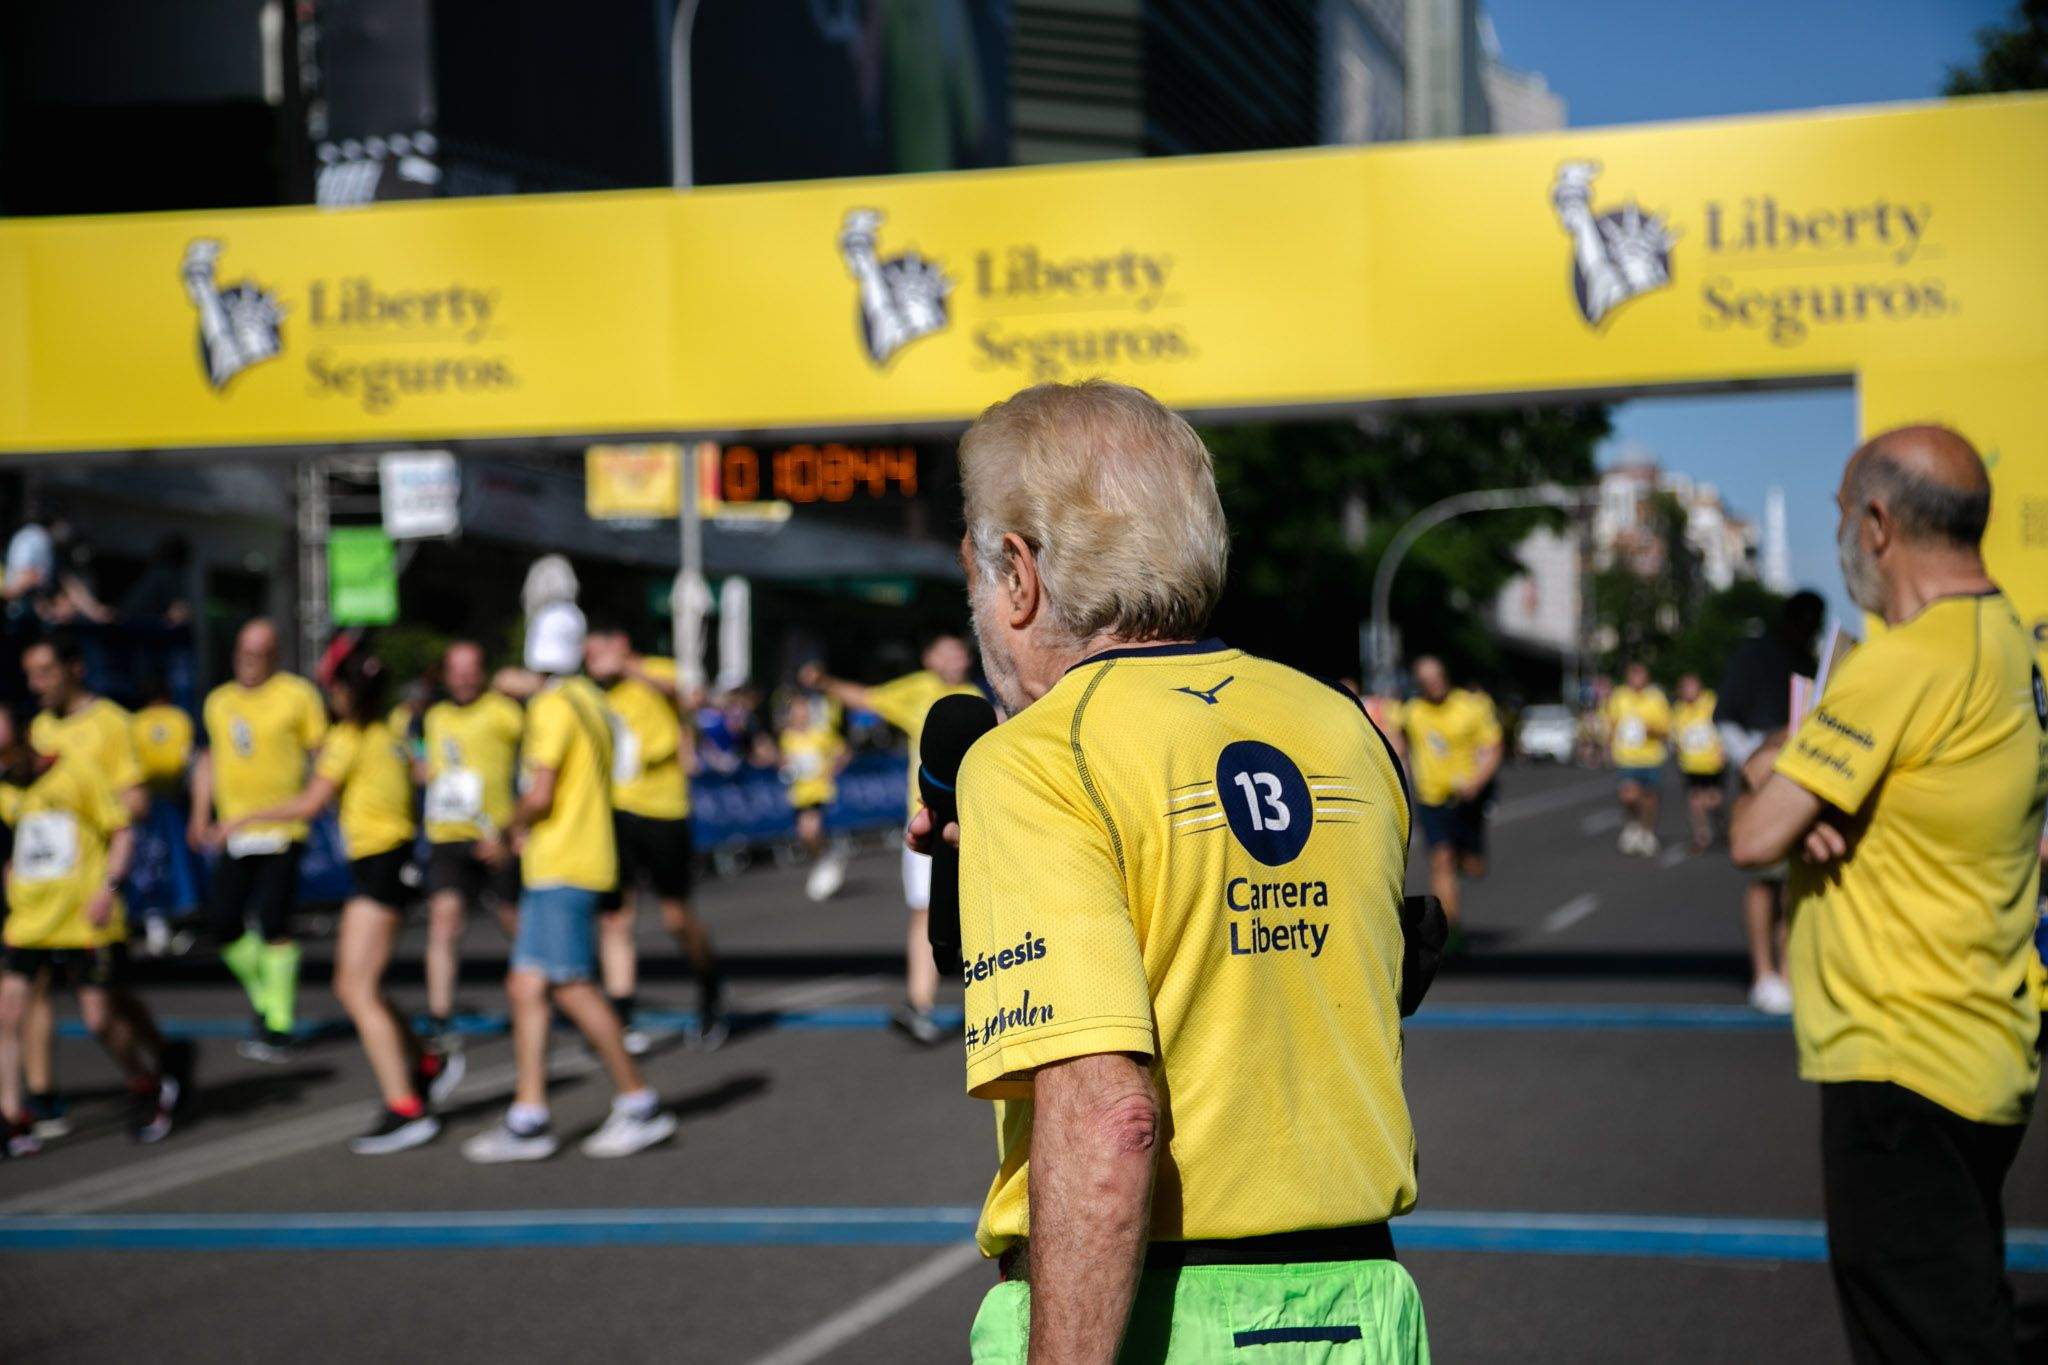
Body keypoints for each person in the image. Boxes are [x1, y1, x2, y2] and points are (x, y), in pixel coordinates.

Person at [933, 380, 1428, 1361]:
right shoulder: (1339, 726)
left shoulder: (1035, 762)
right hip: (1364, 1306)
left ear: (1020, 576)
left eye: (976, 579)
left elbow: (1109, 1117)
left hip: (1172, 1317)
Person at [1731, 425, 2047, 1362]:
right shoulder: (2002, 640)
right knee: (1955, 1311)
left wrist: (1782, 780)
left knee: (1927, 1339)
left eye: (1838, 513)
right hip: (1979, 1043)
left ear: (1877, 524)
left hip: (1897, 1060)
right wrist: (1795, 780)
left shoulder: (1902, 663)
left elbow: (1755, 835)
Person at [461, 601, 675, 1163]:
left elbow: (541, 793)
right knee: (527, 985)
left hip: (562, 861)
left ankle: (640, 1101)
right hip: (580, 856)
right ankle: (529, 1115)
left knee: (571, 984)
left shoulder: (553, 706)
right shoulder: (591, 701)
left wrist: (505, 831)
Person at [222, 652, 459, 1154]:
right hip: (388, 862)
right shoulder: (389, 731)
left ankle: (406, 1106)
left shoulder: (349, 740)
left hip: (379, 864)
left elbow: (309, 804)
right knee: (359, 984)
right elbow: (419, 771)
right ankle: (423, 1062)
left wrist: (246, 817)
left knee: (356, 989)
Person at [0, 706, 188, 1151]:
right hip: (30, 920)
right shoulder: (6, 790)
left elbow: (121, 829)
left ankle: (147, 1081)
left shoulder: (72, 770)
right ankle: (11, 1116)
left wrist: (108, 888)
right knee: (8, 1012)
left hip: (85, 916)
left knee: (99, 1017)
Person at [801, 634, 980, 1044]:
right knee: (924, 911)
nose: (956, 658)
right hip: (923, 822)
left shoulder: (978, 697)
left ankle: (997, 1002)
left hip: (973, 823)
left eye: (960, 652)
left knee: (973, 915)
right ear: (929, 657)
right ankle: (920, 1005)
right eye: (947, 651)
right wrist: (824, 682)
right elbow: (866, 698)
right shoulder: (916, 690)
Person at [17, 637, 155, 1138]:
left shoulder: (111, 723)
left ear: (74, 668)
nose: (38, 684)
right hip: (40, 894)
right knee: (32, 989)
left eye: (46, 671)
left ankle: (156, 1063)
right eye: (30, 674)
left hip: (92, 887)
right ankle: (42, 1095)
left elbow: (135, 802)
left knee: (106, 1002)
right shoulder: (38, 729)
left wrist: (90, 805)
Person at [189, 619, 327, 1061]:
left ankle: (279, 1023)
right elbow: (209, 758)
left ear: (275, 655)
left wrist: (319, 798)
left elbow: (322, 754)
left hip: (283, 829)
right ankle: (267, 998)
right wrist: (199, 813)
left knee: (273, 920)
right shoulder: (219, 701)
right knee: (224, 922)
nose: (249, 663)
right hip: (235, 830)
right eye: (243, 654)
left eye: (259, 654)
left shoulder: (297, 695)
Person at [585, 623, 726, 1052]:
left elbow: (692, 696)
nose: (593, 662)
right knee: (615, 917)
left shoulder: (654, 669)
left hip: (663, 808)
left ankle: (708, 985)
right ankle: (622, 1018)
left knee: (675, 918)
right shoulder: (592, 691)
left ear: (621, 645)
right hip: (614, 810)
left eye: (598, 652)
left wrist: (629, 668)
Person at [1717, 590, 1825, 1016]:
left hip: (1802, 773)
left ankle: (1788, 971)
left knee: (1795, 876)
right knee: (1765, 875)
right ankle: (1764, 972)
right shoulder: (1755, 656)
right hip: (1762, 772)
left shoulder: (1809, 660)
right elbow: (1724, 716)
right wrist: (1754, 761)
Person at [418, 641, 525, 1046]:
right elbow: (420, 756)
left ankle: (544, 992)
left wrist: (517, 830)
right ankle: (440, 1016)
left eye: (471, 669)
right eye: (455, 669)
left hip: (495, 835)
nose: (463, 677)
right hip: (448, 835)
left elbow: (535, 760)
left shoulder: (503, 712)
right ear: (445, 674)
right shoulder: (434, 716)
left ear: (482, 672)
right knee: (444, 920)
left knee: (512, 920)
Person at [1396, 656, 1501, 945]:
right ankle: (1450, 931)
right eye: (1427, 681)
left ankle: (1466, 858)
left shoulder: (1470, 707)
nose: (1434, 684)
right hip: (1432, 798)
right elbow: (1397, 742)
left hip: (1468, 798)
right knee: (1441, 860)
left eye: (1437, 677)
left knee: (1473, 867)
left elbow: (1493, 748)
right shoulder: (1412, 712)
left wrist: (1477, 782)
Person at [131, 678, 200, 956]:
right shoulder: (179, 718)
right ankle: (175, 920)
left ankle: (156, 925)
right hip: (171, 804)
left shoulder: (134, 723)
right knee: (176, 864)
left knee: (148, 867)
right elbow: (188, 760)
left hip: (145, 805)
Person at [775, 693, 848, 902]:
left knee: (811, 829)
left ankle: (826, 859)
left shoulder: (821, 734)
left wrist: (831, 771)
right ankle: (826, 858)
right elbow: (784, 761)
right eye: (797, 711)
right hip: (799, 794)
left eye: (804, 710)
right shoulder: (787, 737)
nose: (801, 715)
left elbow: (843, 752)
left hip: (820, 791)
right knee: (804, 835)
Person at [1604, 662, 1671, 857]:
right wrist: (1607, 749)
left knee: (1650, 798)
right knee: (1629, 795)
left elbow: (1666, 728)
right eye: (1633, 675)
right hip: (1627, 757)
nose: (1637, 679)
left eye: (1640, 675)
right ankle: (1633, 824)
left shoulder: (1655, 697)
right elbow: (1612, 724)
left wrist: (1651, 729)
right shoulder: (1619, 697)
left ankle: (1647, 832)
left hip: (1650, 757)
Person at [1671, 673, 1726, 855]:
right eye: (1685, 687)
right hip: (1691, 765)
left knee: (1713, 800)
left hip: (1712, 764)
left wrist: (1723, 750)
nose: (1689, 691)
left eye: (1692, 686)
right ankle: (1701, 836)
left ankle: (1721, 824)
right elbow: (1676, 735)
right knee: (1695, 801)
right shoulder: (1679, 710)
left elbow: (1723, 727)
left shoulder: (1711, 702)